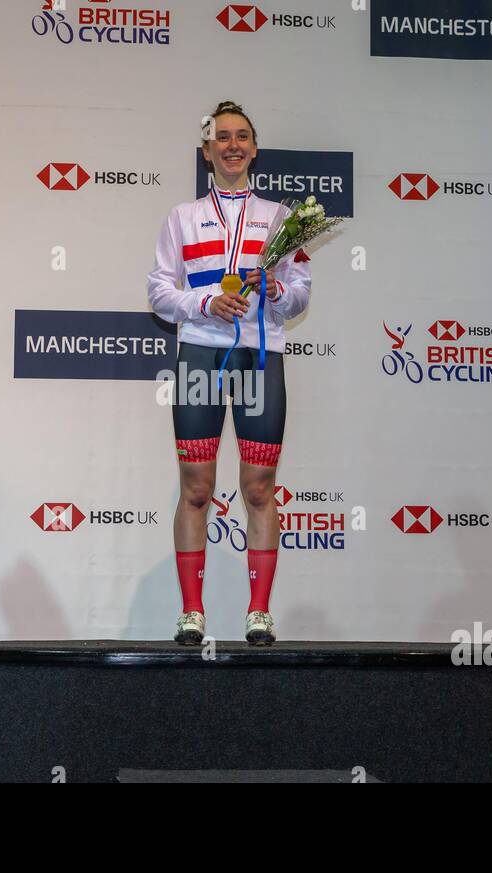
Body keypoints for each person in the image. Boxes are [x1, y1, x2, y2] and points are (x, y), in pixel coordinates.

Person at [146, 101, 311, 646]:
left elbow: (300, 293)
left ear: (255, 148)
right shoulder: (182, 217)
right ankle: (191, 613)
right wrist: (206, 303)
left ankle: (259, 613)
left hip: (259, 358)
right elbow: (159, 293)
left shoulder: (282, 219)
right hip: (201, 355)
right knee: (196, 487)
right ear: (207, 151)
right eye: (222, 137)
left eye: (242, 136)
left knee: (259, 487)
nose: (232, 145)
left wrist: (275, 290)